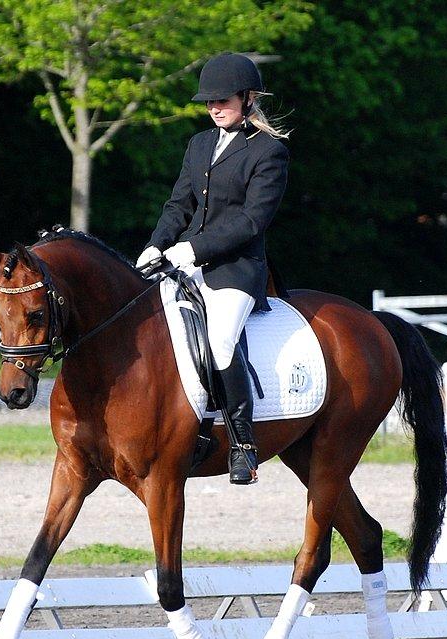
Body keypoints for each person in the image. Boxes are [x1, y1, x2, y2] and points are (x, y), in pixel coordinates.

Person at [136, 52, 290, 485]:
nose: (214, 108)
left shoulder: (268, 151)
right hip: (186, 263)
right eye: (209, 102)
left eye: (222, 100)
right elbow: (179, 204)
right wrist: (156, 244)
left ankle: (243, 446)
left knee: (220, 343)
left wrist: (193, 249)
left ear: (248, 97)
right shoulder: (200, 144)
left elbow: (252, 220)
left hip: (237, 271)